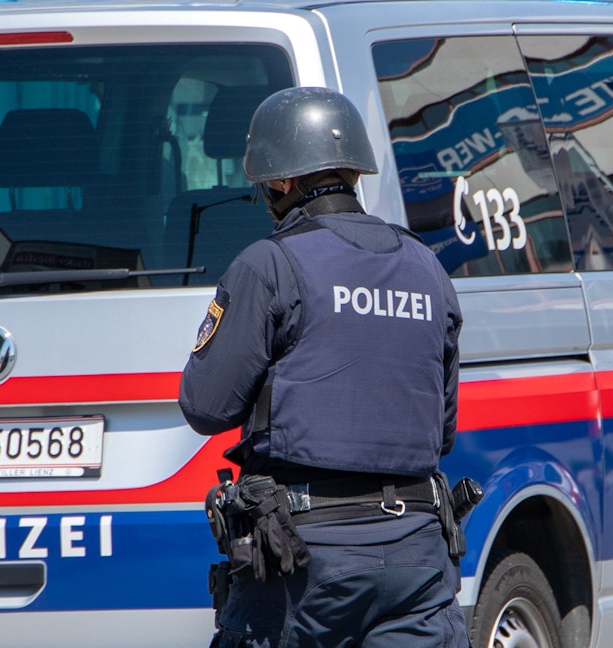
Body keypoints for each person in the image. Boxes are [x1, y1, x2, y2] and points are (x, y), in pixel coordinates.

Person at [179, 86, 468, 648]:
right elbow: (443, 430)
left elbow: (206, 407)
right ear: (354, 170)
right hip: (417, 555)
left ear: (281, 181)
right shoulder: (427, 267)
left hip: (305, 562)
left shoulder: (269, 265)